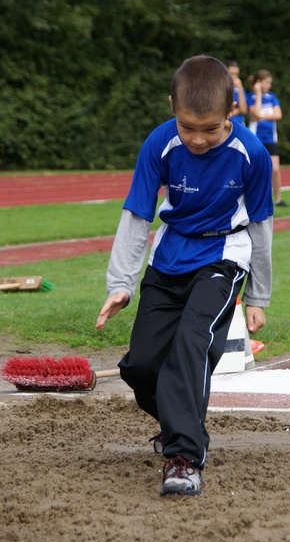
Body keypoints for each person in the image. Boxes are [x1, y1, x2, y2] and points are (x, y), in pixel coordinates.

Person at [95, 55, 273, 498]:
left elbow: (260, 227)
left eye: (209, 129)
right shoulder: (159, 143)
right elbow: (138, 215)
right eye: (187, 127)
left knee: (190, 344)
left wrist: (258, 296)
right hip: (169, 256)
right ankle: (182, 425)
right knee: (140, 366)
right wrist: (120, 283)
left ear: (231, 112)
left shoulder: (252, 154)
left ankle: (184, 457)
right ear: (171, 105)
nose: (196, 139)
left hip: (223, 257)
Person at [246, 69, 287, 207]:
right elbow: (254, 112)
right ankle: (257, 199)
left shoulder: (272, 97)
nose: (269, 85)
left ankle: (278, 199)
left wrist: (260, 116)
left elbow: (278, 115)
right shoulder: (250, 97)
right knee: (257, 170)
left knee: (275, 170)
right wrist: (258, 94)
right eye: (267, 82)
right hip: (256, 138)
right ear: (259, 82)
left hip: (271, 139)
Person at [225, 60, 248, 126]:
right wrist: (238, 110)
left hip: (239, 124)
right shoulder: (219, 89)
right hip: (225, 125)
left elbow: (244, 109)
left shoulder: (240, 90)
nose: (234, 77)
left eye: (236, 74)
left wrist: (240, 88)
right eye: (231, 73)